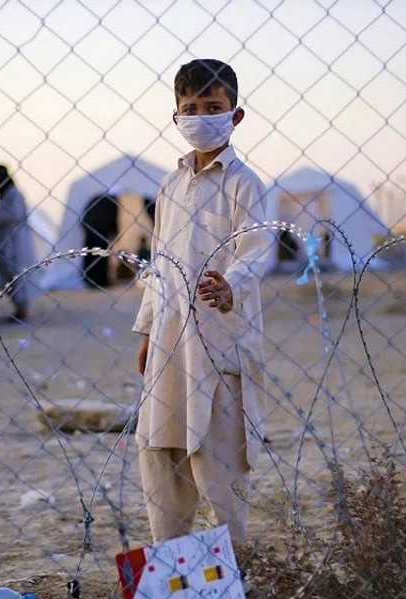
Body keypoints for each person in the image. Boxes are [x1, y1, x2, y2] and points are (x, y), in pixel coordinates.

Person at [132, 59, 271, 545]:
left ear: (235, 115)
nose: (200, 116)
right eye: (189, 108)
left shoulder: (243, 184)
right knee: (161, 446)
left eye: (212, 107)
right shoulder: (171, 185)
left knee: (217, 449)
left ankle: (233, 556)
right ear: (176, 116)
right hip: (170, 339)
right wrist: (148, 328)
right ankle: (171, 553)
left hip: (219, 337)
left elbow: (255, 249)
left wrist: (231, 285)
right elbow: (160, 261)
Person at [0, 164, 38, 321]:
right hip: (7, 242)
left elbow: (13, 216)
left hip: (16, 242)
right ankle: (19, 309)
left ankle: (23, 310)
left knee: (18, 275)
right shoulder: (6, 194)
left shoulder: (14, 194)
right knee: (8, 275)